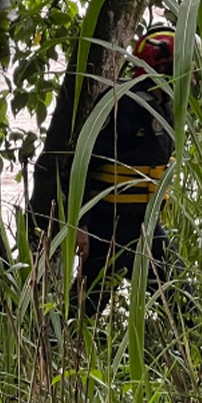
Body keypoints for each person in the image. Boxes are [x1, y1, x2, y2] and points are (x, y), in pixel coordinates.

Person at [69, 27, 180, 320]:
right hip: (109, 226)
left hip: (145, 227)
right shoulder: (121, 103)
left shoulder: (163, 106)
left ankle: (194, 355)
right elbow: (85, 165)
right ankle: (52, 348)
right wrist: (82, 226)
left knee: (178, 300)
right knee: (85, 307)